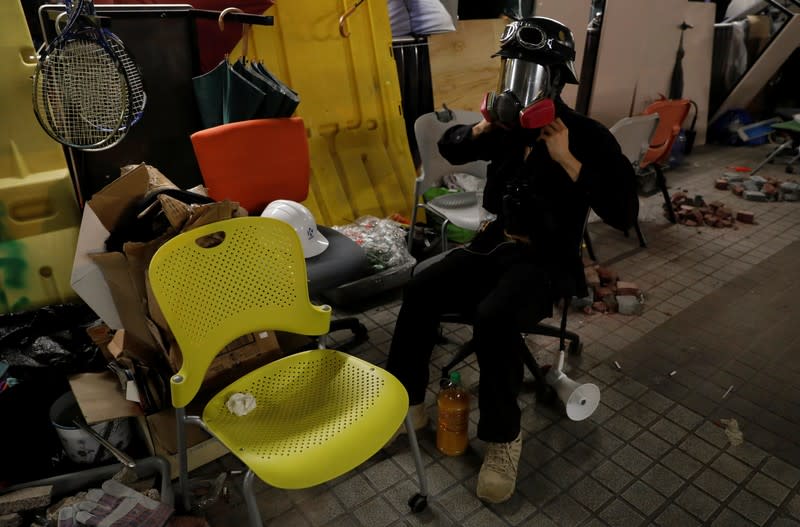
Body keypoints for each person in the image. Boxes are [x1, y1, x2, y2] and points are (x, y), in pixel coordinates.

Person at [386, 16, 638, 503]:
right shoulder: (505, 129)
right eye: (513, 70)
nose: (519, 83)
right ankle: (408, 400)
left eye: (533, 71)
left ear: (558, 78)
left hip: (548, 261)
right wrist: (481, 126)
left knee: (495, 316)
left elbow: (623, 212)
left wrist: (567, 159)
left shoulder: (588, 137)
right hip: (493, 243)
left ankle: (503, 439)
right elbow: (448, 147)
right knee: (421, 286)